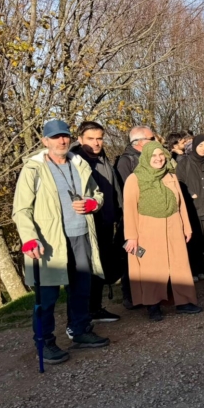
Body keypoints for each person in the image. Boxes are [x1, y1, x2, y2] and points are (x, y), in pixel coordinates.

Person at [13, 120, 110, 364]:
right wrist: (29, 238)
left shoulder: (79, 164)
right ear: (45, 141)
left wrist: (92, 204)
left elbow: (97, 194)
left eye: (65, 136)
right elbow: (21, 209)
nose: (61, 141)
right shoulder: (33, 170)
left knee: (81, 289)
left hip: (81, 236)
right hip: (49, 242)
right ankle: (44, 343)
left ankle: (80, 331)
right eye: (55, 137)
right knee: (47, 297)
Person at [123, 141, 203, 320]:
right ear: (145, 158)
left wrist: (186, 227)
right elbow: (129, 210)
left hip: (174, 225)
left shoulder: (171, 176)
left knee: (179, 264)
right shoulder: (135, 179)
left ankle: (184, 301)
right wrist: (131, 237)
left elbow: (180, 204)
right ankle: (153, 305)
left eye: (161, 155)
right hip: (148, 229)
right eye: (153, 156)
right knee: (152, 268)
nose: (158, 159)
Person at [71, 122, 124, 324]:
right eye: (91, 138)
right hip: (85, 226)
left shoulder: (104, 160)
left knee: (101, 266)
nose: (96, 142)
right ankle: (83, 315)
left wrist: (118, 214)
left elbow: (113, 190)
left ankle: (95, 308)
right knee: (86, 271)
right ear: (80, 139)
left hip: (106, 222)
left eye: (99, 138)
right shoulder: (74, 162)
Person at [115, 126, 155, 309]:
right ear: (138, 143)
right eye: (151, 138)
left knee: (149, 257)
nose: (155, 141)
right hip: (133, 218)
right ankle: (130, 295)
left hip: (151, 216)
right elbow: (127, 193)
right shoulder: (126, 162)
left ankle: (150, 293)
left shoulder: (149, 158)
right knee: (134, 254)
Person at [176, 135, 204, 281]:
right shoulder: (184, 163)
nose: (203, 149)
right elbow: (178, 182)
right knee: (192, 242)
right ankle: (192, 271)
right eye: (200, 145)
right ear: (194, 146)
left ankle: (203, 269)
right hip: (191, 208)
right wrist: (189, 193)